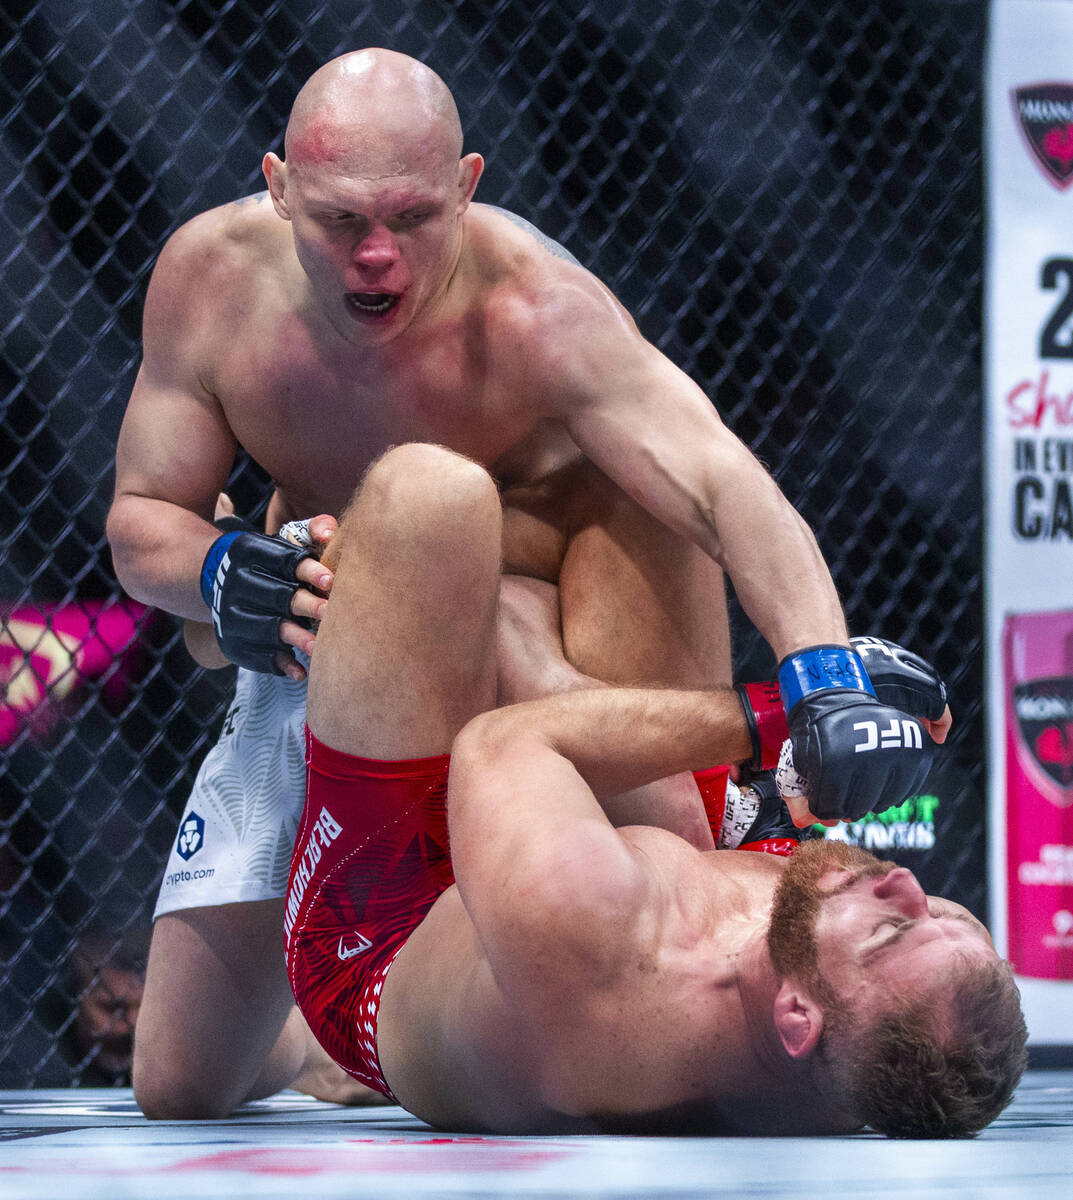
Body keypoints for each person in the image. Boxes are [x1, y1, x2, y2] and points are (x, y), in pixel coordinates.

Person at [107, 48, 936, 1117]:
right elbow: (140, 528)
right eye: (339, 221)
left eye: (411, 218)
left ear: (467, 186)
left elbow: (726, 485)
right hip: (350, 656)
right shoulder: (209, 284)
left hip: (561, 648)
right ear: (275, 186)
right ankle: (316, 1053)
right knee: (177, 1083)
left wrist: (823, 676)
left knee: (608, 507)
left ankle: (708, 788)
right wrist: (224, 571)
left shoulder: (541, 315)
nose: (375, 257)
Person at [285, 442, 1026, 1137]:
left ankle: (285, 588)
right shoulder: (879, 1037)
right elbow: (926, 956)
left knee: (428, 500)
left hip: (385, 920)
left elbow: (510, 737)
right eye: (937, 914)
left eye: (890, 927)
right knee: (641, 475)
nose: (903, 885)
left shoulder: (621, 961)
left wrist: (791, 710)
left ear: (795, 1016)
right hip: (627, 860)